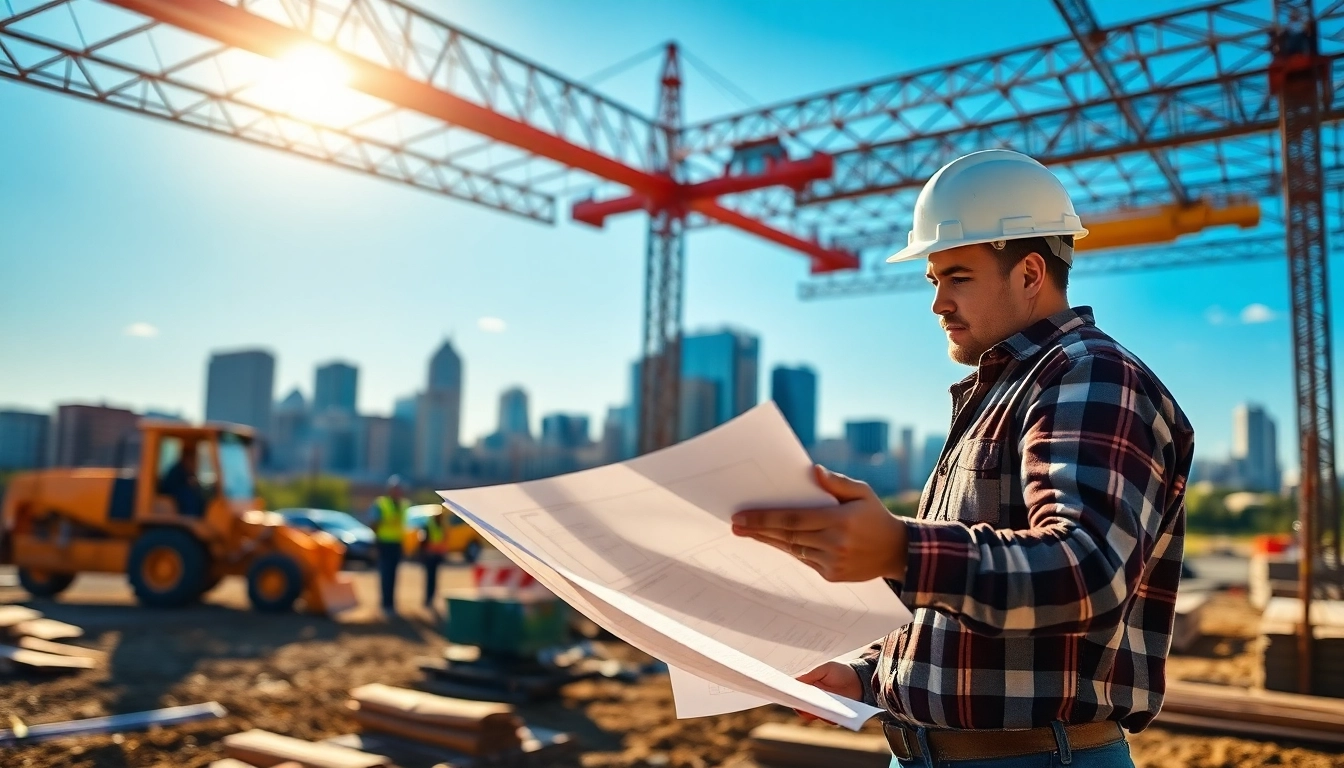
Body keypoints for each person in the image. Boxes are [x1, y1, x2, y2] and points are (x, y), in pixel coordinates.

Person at [732, 149, 1194, 768]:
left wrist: (901, 549)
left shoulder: (1090, 375)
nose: (937, 303)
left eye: (959, 277)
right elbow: (962, 612)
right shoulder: (1007, 391)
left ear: (1030, 273)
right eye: (934, 280)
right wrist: (867, 674)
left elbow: (1088, 571)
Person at [367, 475, 409, 613]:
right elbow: (374, 523)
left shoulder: (404, 505)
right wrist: (376, 541)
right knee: (385, 574)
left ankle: (391, 603)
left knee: (394, 575)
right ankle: (385, 604)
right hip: (384, 543)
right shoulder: (381, 504)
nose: (397, 492)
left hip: (397, 543)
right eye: (394, 489)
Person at [159, 444, 206, 517]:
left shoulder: (187, 474)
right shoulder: (175, 474)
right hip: (179, 514)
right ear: (187, 459)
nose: (196, 464)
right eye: (194, 460)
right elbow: (177, 493)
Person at [420, 507, 450, 610]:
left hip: (437, 555)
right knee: (430, 578)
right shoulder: (429, 526)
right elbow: (423, 541)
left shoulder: (441, 526)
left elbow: (444, 539)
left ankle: (430, 598)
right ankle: (428, 599)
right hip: (430, 556)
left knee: (433, 578)